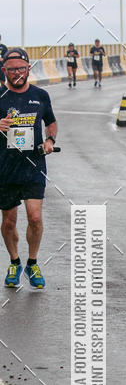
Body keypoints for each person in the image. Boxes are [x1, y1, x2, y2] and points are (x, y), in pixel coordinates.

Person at [0, 48, 57, 289]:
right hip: (5, 168)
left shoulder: (40, 95)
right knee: (9, 222)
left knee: (35, 218)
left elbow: (51, 123)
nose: (16, 73)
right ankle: (15, 262)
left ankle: (33, 263)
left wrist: (49, 141)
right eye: (11, 69)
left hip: (33, 165)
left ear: (28, 69)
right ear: (4, 71)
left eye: (20, 68)